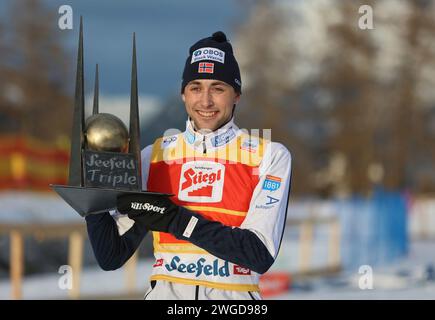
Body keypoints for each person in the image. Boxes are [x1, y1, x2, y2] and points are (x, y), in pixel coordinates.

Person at [85, 31, 292, 300]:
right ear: (183, 94)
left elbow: (257, 253)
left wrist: (175, 219)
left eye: (218, 88)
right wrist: (93, 197)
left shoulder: (269, 156)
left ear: (237, 94)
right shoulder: (154, 156)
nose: (205, 101)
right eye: (195, 87)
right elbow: (111, 256)